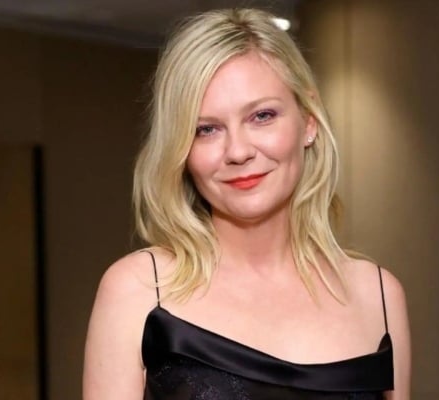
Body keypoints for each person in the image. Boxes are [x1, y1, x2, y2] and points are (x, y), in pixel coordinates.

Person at [83, 8, 410, 400]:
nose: (237, 151)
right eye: (206, 129)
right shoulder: (139, 291)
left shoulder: (377, 295)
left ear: (308, 120)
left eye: (262, 116)